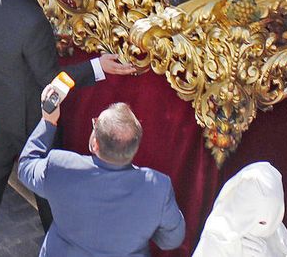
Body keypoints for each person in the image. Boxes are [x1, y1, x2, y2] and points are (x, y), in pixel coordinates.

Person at [0, 0, 134, 252]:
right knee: (47, 184)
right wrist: (97, 66)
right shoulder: (31, 20)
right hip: (28, 117)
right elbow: (51, 81)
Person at [19, 91, 184, 257]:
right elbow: (171, 240)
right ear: (134, 150)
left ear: (95, 144)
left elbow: (26, 166)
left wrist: (48, 121)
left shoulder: (61, 166)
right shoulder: (158, 188)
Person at [191, 162, 287, 257]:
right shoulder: (218, 235)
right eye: (259, 221)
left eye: (272, 220)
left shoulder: (277, 233)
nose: (264, 227)